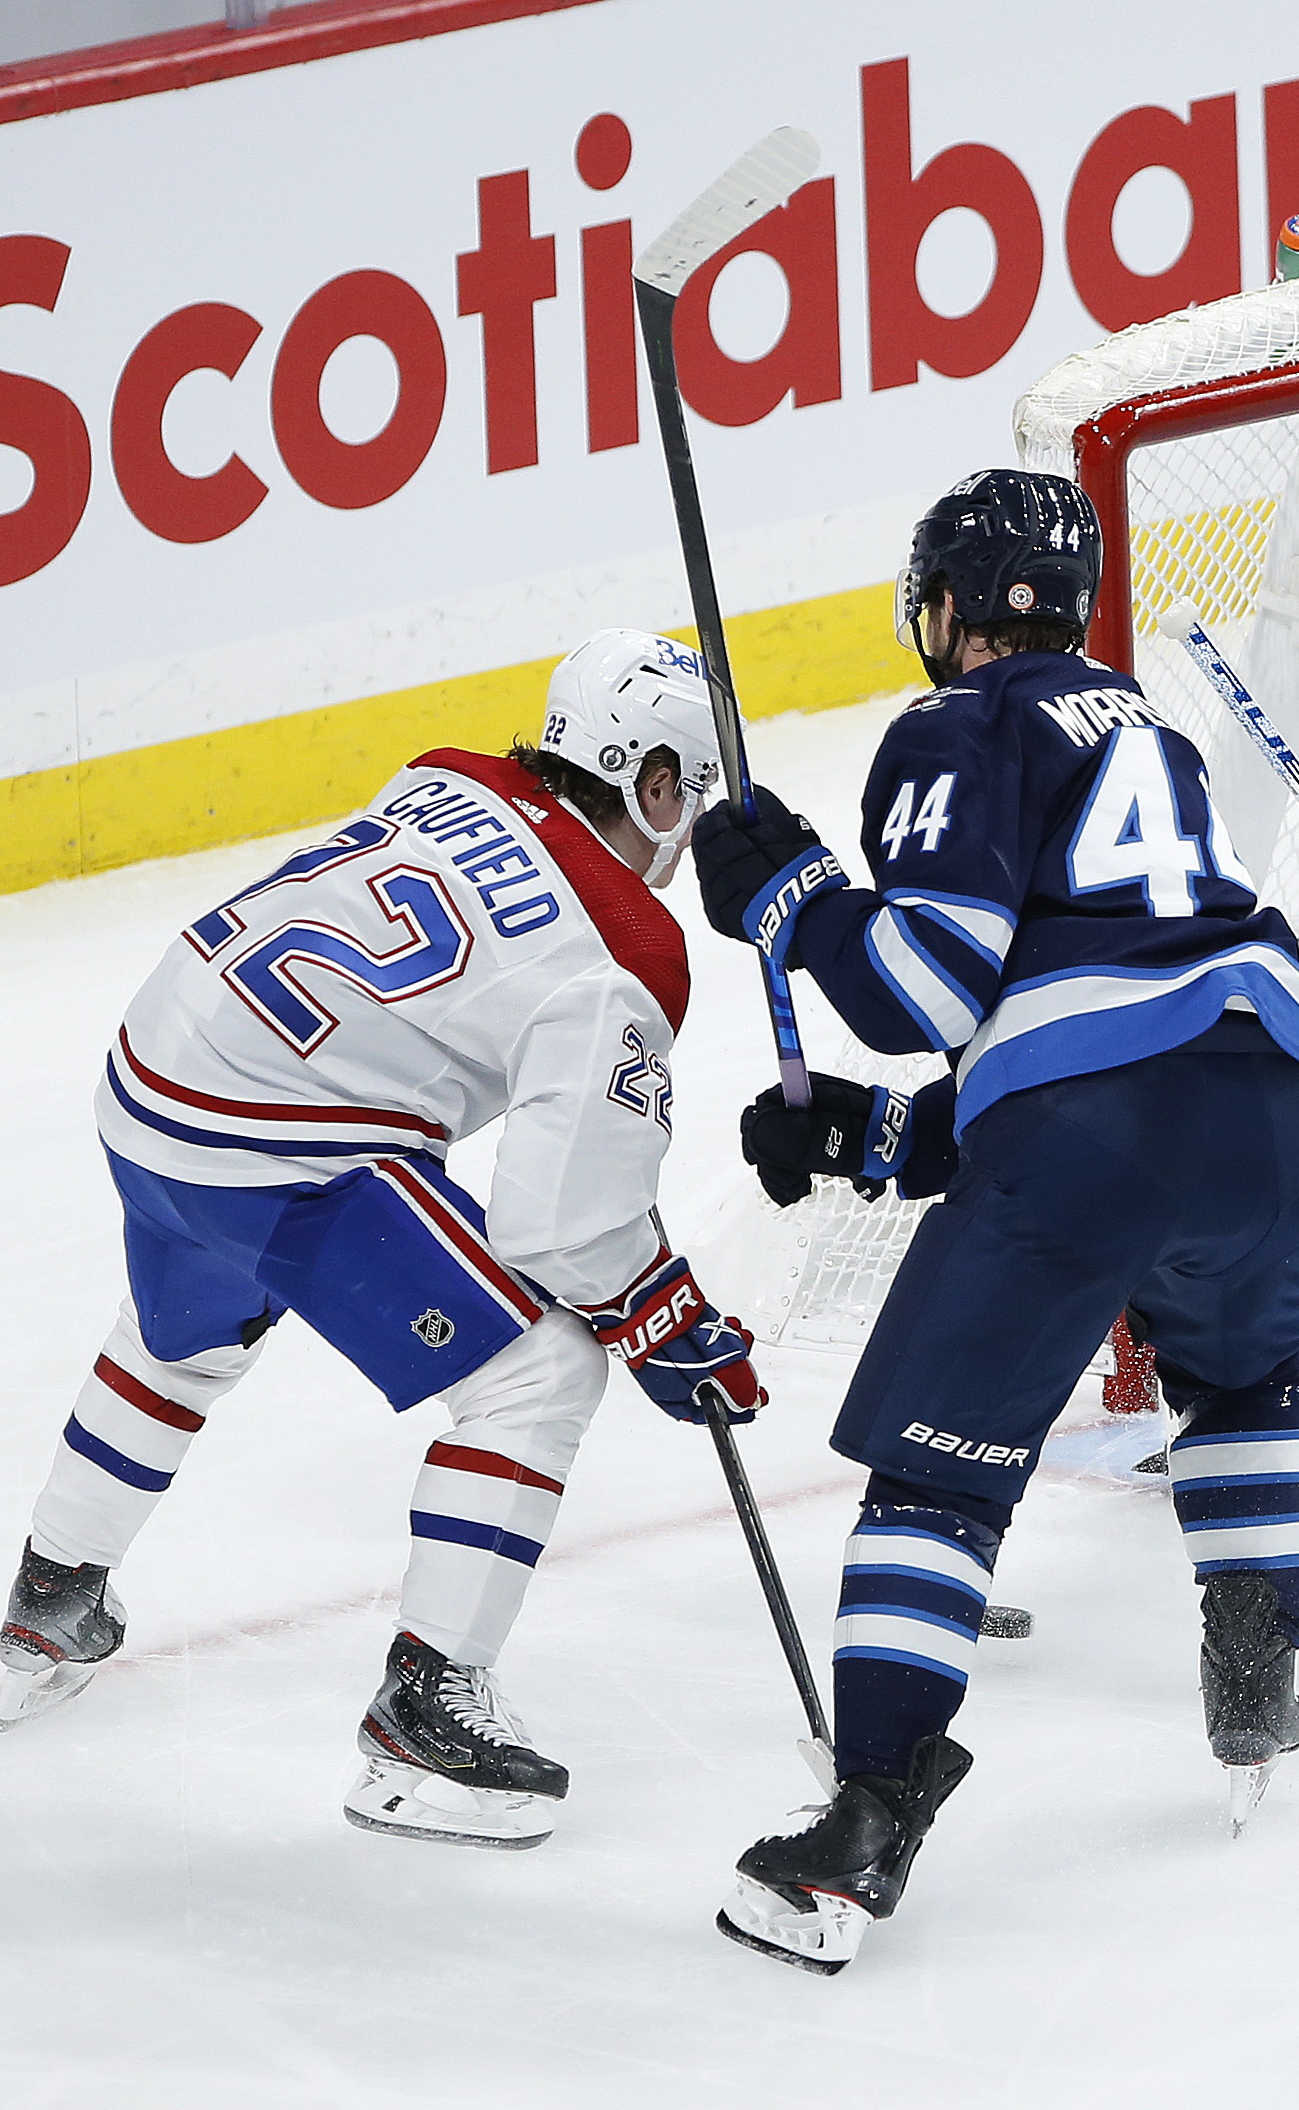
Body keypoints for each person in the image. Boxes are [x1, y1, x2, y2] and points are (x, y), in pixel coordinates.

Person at [693, 468, 1299, 1974]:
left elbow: (929, 990)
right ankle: (1255, 1663)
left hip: (1101, 1132)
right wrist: (861, 1129)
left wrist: (786, 894)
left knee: (936, 1487)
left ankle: (862, 1827)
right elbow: (1085, 1032)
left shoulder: (959, 727)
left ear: (949, 609)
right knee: (1242, 1374)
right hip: (1278, 1103)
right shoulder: (1150, 733)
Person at [0, 631, 762, 1850]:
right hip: (272, 1144)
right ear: (656, 785)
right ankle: (422, 1718)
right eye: (698, 792)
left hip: (150, 1076)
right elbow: (563, 1230)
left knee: (184, 1331)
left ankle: (49, 1604)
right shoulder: (625, 949)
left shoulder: (443, 777)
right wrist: (664, 1314)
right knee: (543, 1370)